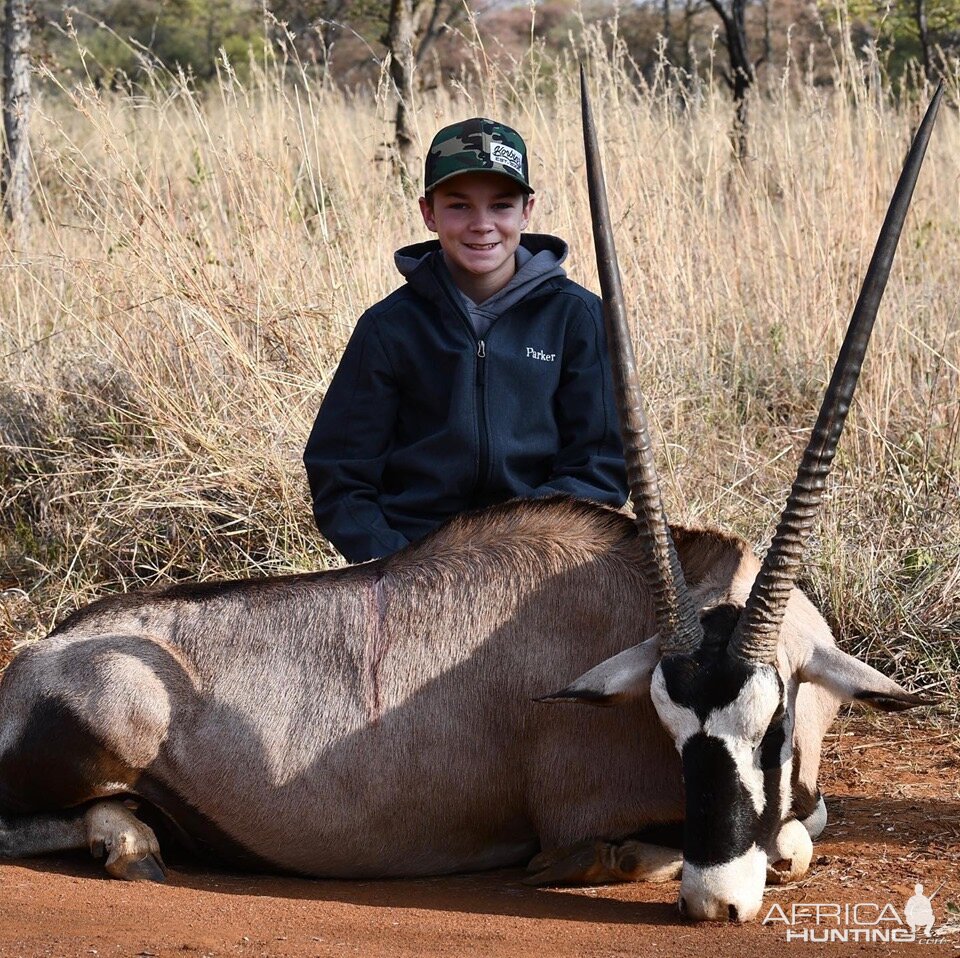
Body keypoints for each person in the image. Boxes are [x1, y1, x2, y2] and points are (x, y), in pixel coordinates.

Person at [304, 116, 628, 564]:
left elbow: (600, 468)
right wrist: (395, 564)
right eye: (459, 206)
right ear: (428, 212)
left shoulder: (579, 317)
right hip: (413, 560)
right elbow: (340, 476)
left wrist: (518, 548)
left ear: (527, 210)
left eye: (500, 205)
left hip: (536, 557)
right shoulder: (387, 327)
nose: (482, 225)